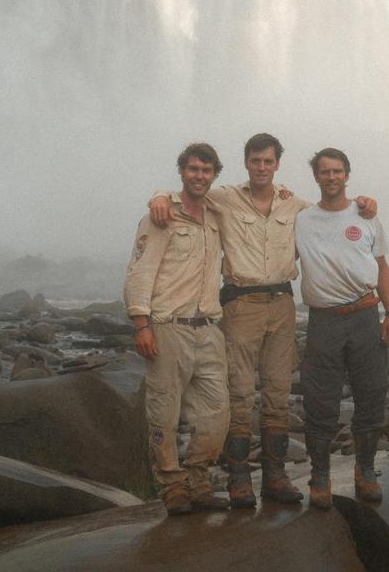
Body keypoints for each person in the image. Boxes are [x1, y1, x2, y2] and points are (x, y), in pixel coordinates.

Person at [149, 134, 376, 508]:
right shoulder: (224, 199)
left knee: (277, 394)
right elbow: (189, 191)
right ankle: (239, 480)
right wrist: (159, 195)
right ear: (246, 162)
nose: (261, 167)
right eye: (255, 161)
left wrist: (364, 203)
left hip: (282, 304)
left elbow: (332, 209)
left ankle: (276, 477)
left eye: (268, 161)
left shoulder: (294, 205)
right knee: (239, 394)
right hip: (241, 304)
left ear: (277, 164)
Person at [124, 142, 230, 516]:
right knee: (164, 412)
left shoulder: (217, 215)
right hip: (169, 327)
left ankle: (199, 482)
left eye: (206, 170)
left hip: (209, 328)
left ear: (215, 174)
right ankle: (172, 487)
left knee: (218, 412)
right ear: (182, 172)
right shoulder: (161, 215)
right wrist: (141, 324)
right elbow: (139, 271)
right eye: (192, 169)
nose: (199, 176)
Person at [295, 147, 389, 508]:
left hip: (365, 315)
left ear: (347, 175)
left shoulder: (366, 215)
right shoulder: (302, 219)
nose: (332, 177)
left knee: (371, 393)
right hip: (323, 321)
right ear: (316, 177)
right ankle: (320, 477)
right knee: (319, 398)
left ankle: (365, 470)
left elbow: (382, 267)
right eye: (325, 172)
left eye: (338, 171)